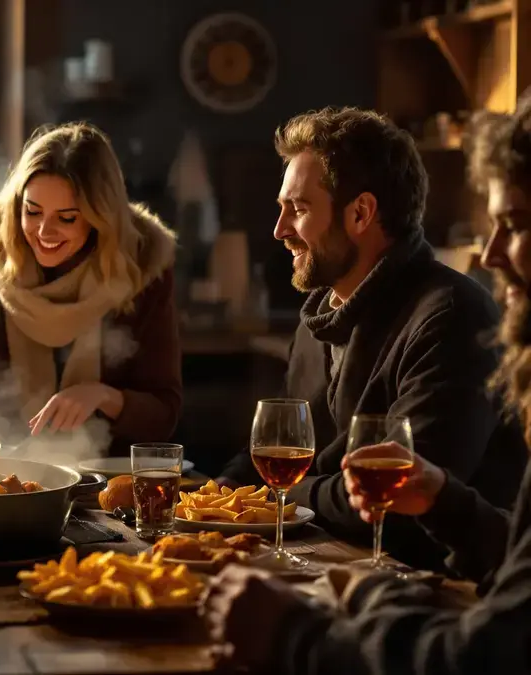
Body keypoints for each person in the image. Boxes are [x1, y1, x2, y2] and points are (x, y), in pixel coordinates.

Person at [201, 91, 531, 675]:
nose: (279, 230)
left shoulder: (453, 316)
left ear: (361, 214)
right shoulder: (321, 315)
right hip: (350, 583)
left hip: (436, 597)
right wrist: (211, 496)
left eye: (297, 209)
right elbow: (281, 449)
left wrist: (274, 500)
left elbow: (390, 510)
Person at [0, 121, 181, 456]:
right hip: (7, 474)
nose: (43, 232)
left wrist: (103, 396)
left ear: (100, 217)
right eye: (32, 211)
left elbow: (164, 415)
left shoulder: (141, 273)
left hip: (108, 481)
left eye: (66, 218)